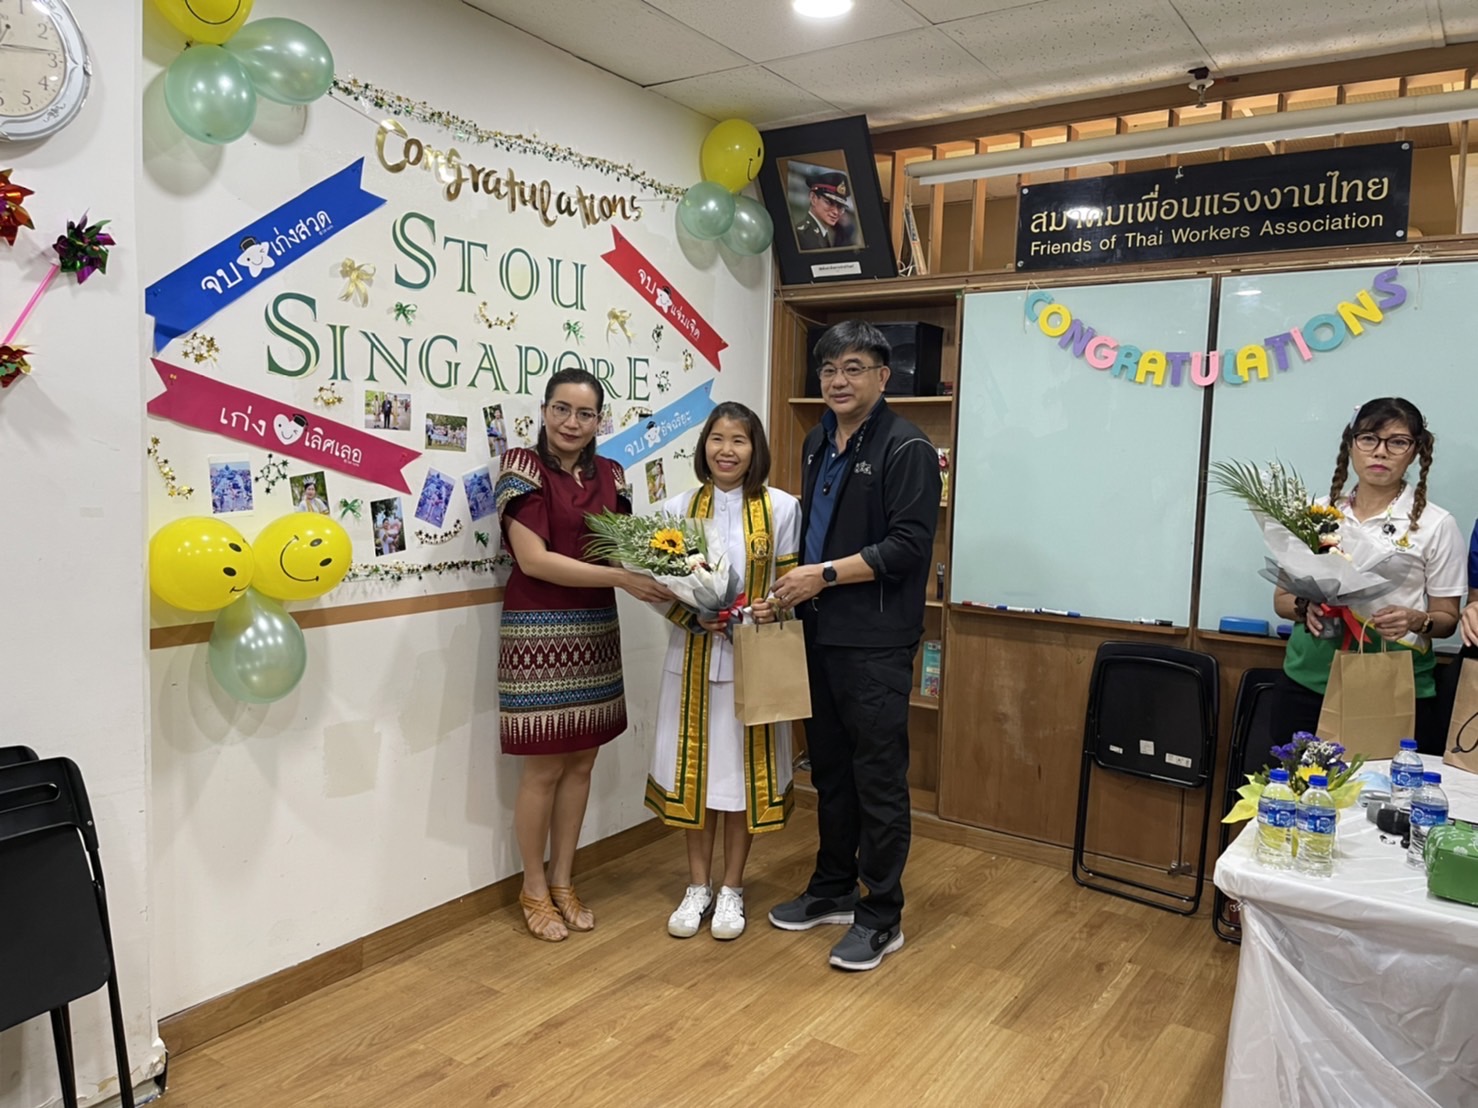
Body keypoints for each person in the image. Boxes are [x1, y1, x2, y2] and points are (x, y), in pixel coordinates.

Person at [768, 321, 941, 971]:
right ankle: (833, 887)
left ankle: (881, 914)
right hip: (817, 631)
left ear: (882, 376)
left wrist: (824, 575)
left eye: (853, 368)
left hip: (874, 641)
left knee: (878, 778)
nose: (838, 381)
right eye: (828, 370)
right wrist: (794, 586)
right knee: (831, 771)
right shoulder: (817, 439)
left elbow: (908, 547)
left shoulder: (908, 447)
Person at [496, 367, 674, 942]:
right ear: (544, 411)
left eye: (585, 413)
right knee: (544, 766)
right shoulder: (521, 468)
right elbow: (535, 560)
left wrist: (680, 573)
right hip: (537, 632)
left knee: (582, 763)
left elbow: (619, 553)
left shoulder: (613, 475)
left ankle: (564, 881)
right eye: (562, 409)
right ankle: (532, 887)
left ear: (600, 420)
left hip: (595, 629)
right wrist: (621, 579)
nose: (572, 422)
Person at [647, 402, 801, 942]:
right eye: (717, 438)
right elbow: (659, 588)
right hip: (692, 659)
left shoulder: (782, 508)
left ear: (755, 449)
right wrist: (693, 616)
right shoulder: (677, 508)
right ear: (703, 446)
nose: (727, 450)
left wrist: (773, 607)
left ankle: (732, 886)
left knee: (739, 782)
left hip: (753, 663)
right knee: (697, 779)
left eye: (739, 440)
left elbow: (789, 585)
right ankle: (698, 886)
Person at [1270, 397, 1465, 754]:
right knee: (1297, 781)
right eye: (1368, 439)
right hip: (1307, 678)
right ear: (1351, 444)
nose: (1381, 452)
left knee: (1378, 785)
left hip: (1390, 681)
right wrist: (1304, 607)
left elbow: (1447, 618)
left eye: (1398, 442)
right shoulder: (1317, 513)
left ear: (1415, 451)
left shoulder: (1436, 524)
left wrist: (1417, 620)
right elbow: (1281, 600)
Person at [793, 171, 854, 251]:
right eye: (829, 203)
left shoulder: (822, 233)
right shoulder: (803, 236)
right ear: (813, 198)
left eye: (839, 207)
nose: (835, 212)